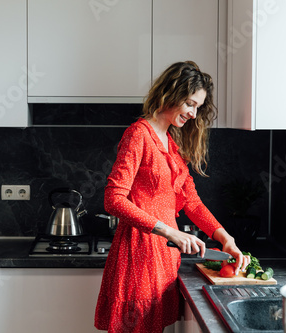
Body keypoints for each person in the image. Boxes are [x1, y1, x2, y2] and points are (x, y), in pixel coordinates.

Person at [94, 61, 250, 333]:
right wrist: (171, 233)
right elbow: (113, 200)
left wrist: (226, 239)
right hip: (138, 256)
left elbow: (192, 202)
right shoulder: (138, 135)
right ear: (170, 93)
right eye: (190, 104)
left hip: (164, 260)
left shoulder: (172, 145)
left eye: (198, 107)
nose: (193, 113)